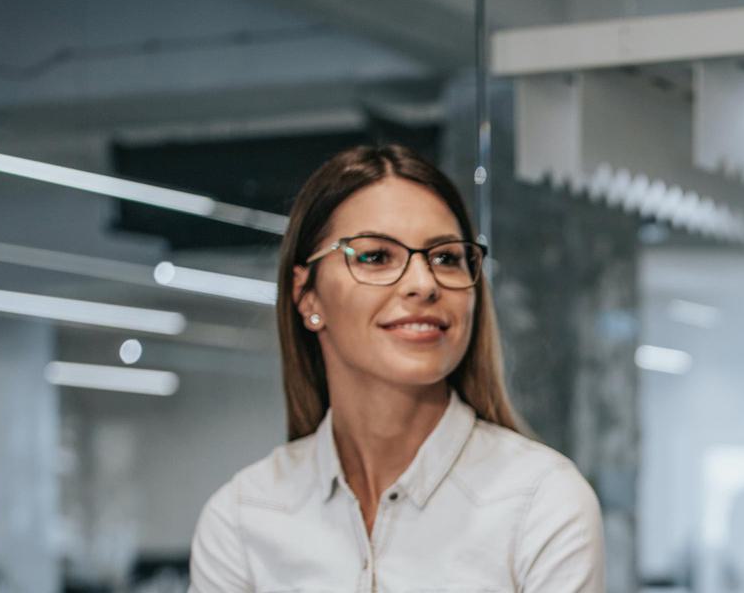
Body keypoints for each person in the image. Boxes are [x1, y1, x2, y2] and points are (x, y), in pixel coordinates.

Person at [188, 145, 603, 591]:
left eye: (446, 257)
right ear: (307, 295)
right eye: (375, 256)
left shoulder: (541, 503)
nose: (424, 284)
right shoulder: (243, 517)